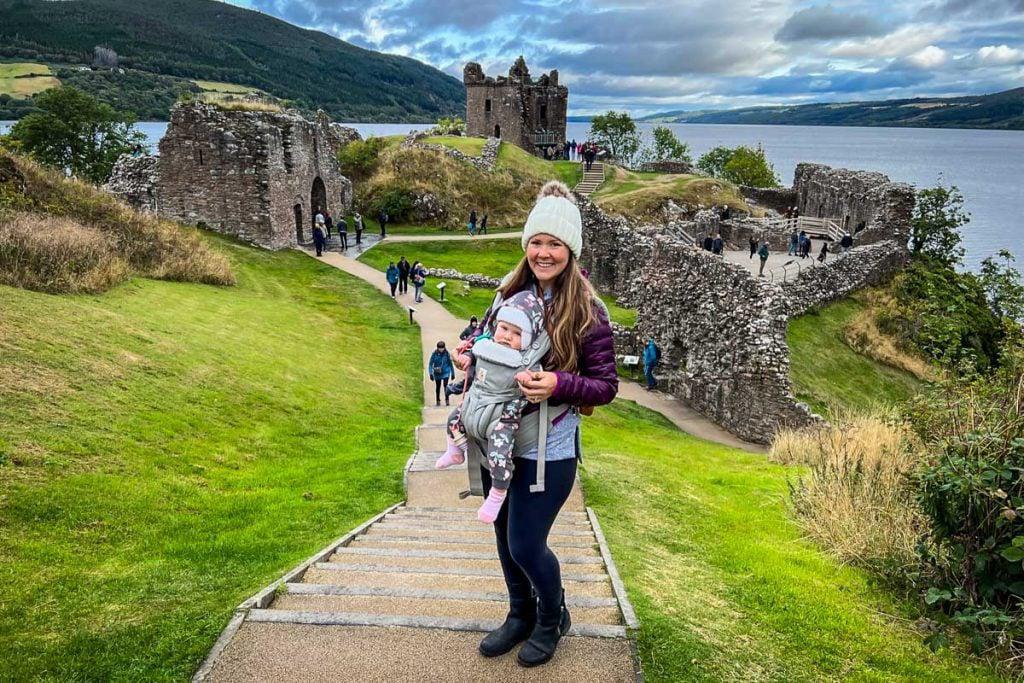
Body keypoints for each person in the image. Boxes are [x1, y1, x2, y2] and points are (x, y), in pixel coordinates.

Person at [451, 180, 617, 667]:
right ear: (527, 245)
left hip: (550, 444)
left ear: (571, 248)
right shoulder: (509, 290)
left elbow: (605, 386)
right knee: (503, 536)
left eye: (555, 244)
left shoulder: (589, 309)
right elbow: (487, 341)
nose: (544, 253)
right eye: (537, 242)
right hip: (496, 437)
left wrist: (559, 384)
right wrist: (469, 356)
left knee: (526, 541)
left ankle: (553, 616)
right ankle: (519, 614)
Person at [436, 291, 546, 523]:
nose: (507, 337)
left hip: (503, 415)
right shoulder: (485, 345)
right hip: (477, 401)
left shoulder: (525, 359)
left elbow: (536, 376)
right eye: (504, 329)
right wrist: (466, 359)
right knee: (454, 419)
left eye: (517, 334)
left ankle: (497, 492)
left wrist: (530, 379)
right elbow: (472, 357)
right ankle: (455, 452)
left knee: (500, 451)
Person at [428, 340, 455, 407]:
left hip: (446, 372)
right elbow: (430, 364)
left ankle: (447, 399)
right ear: (437, 348)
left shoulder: (447, 354)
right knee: (438, 387)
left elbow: (450, 364)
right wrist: (430, 373)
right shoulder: (434, 354)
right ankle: (437, 399)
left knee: (446, 386)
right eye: (439, 348)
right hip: (437, 373)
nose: (441, 349)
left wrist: (452, 373)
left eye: (442, 348)